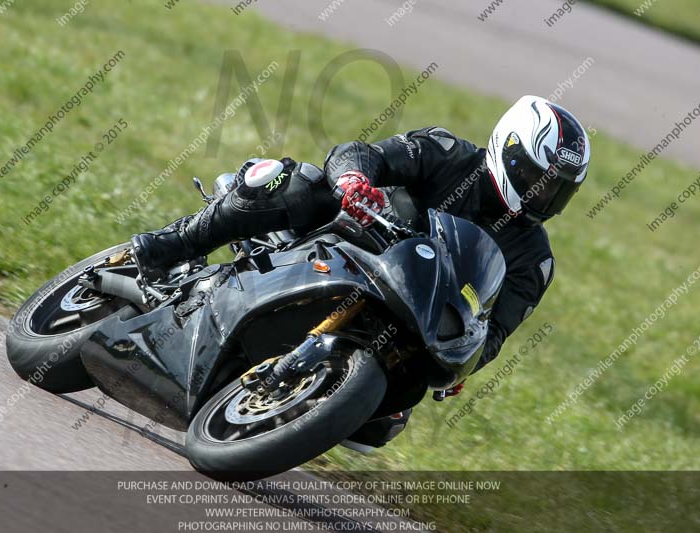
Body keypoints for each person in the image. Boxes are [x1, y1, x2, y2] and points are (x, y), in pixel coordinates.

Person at [131, 94, 591, 446]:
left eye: (558, 192)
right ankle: (173, 245)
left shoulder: (534, 258)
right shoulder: (447, 152)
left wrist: (465, 358)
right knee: (290, 182)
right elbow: (361, 152)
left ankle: (293, 396)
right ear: (507, 151)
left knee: (381, 426)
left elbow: (495, 332)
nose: (542, 198)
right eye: (536, 181)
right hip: (348, 240)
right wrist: (355, 179)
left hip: (410, 316)